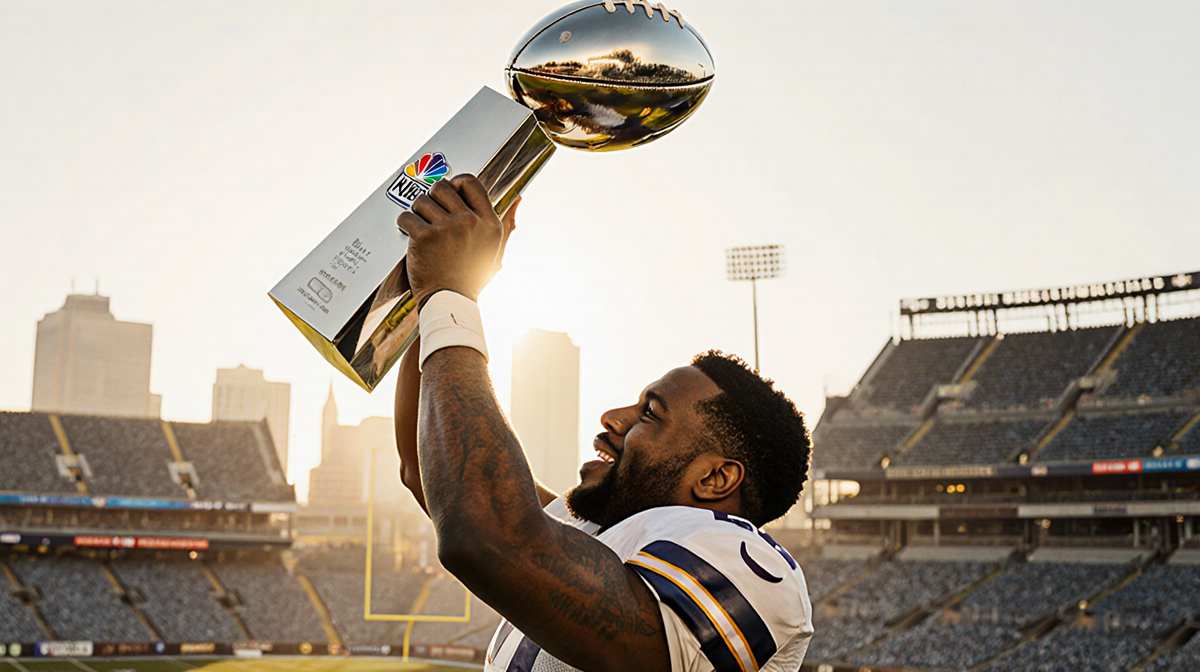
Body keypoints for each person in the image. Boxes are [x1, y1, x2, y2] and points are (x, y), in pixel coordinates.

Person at [394, 174, 814, 672]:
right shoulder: (596, 531)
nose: (613, 417)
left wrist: (450, 294)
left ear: (715, 478)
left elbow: (483, 528)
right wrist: (437, 287)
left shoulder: (750, 563)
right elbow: (430, 470)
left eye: (651, 413)